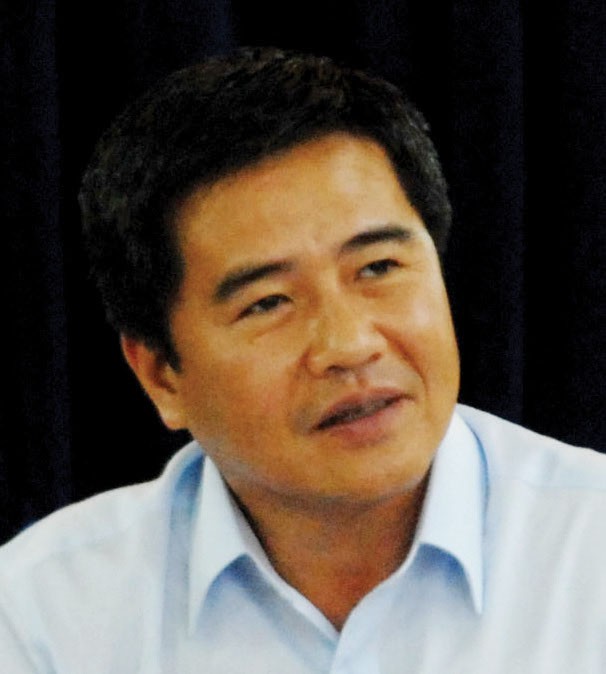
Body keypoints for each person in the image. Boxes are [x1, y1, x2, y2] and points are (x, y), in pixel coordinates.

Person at [1, 47, 605, 673]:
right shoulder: (41, 620)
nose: (349, 345)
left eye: (378, 267)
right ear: (162, 376)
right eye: (268, 303)